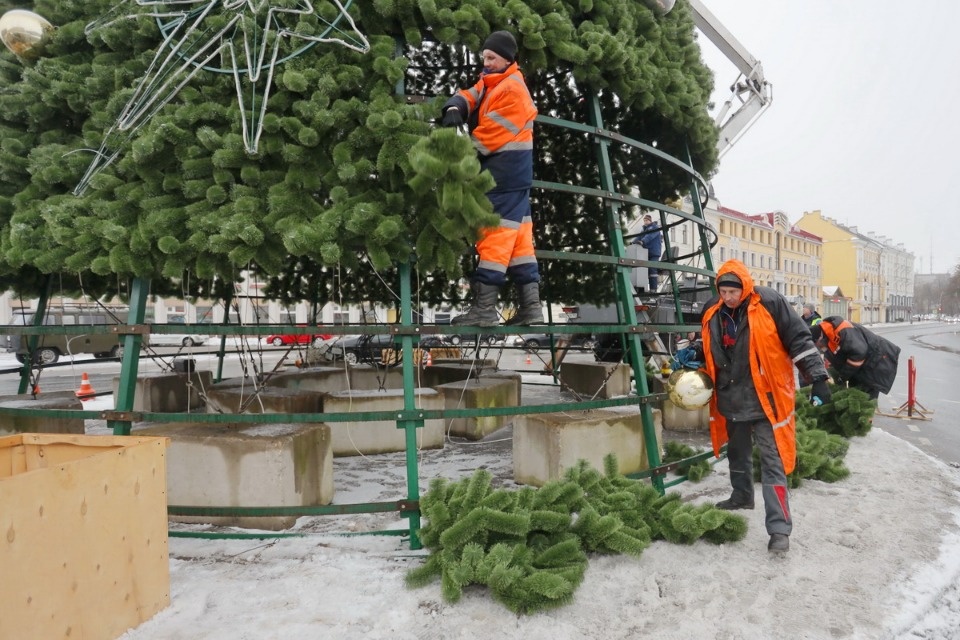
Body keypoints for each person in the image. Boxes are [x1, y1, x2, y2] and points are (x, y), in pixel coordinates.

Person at [699, 260, 831, 553]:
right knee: (737, 452)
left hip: (766, 400)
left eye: (733, 291)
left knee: (772, 462)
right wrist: (694, 357)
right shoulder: (712, 310)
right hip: (730, 397)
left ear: (745, 287)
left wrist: (818, 378)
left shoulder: (769, 303)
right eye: (723, 291)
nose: (728, 297)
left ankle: (779, 529)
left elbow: (799, 340)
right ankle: (741, 496)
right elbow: (710, 347)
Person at [441, 30, 541, 327]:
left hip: (503, 176)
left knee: (494, 237)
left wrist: (457, 156)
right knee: (520, 241)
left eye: (491, 58)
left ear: (508, 59)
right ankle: (532, 309)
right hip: (514, 176)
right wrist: (454, 107)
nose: (485, 63)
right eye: (484, 57)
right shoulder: (494, 80)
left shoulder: (513, 90)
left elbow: (488, 139)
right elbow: (471, 93)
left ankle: (484, 309)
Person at [810, 316, 900, 401]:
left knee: (866, 396)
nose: (818, 348)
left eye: (816, 345)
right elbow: (836, 357)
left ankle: (867, 411)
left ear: (819, 338)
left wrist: (842, 377)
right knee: (856, 392)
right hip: (863, 365)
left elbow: (858, 355)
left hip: (877, 360)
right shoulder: (829, 336)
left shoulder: (843, 331)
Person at [632, 213, 662, 292]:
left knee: (652, 270)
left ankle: (653, 290)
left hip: (654, 252)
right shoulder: (644, 229)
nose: (645, 222)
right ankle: (644, 289)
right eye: (644, 220)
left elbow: (649, 236)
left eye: (646, 220)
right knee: (644, 269)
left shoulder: (654, 228)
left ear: (650, 221)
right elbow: (639, 237)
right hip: (646, 252)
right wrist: (632, 243)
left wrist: (643, 241)